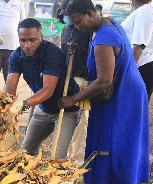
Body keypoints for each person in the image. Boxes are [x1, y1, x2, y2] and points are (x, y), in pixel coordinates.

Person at [57, 0, 150, 184]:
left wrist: (73, 99)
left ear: (90, 13)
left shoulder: (103, 39)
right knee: (119, 142)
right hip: (130, 91)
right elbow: (110, 60)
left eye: (79, 21)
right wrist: (83, 53)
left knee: (109, 143)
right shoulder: (110, 24)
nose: (77, 26)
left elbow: (103, 81)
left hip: (122, 96)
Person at [5, 18, 81, 158]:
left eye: (32, 40)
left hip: (66, 109)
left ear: (41, 37)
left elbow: (48, 89)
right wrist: (5, 105)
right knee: (26, 152)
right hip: (43, 108)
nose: (27, 45)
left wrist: (24, 104)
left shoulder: (52, 53)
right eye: (23, 40)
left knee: (56, 156)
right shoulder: (16, 56)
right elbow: (10, 85)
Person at [57, 0, 90, 165]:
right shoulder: (65, 30)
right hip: (67, 79)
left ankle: (77, 159)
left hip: (81, 78)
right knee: (67, 118)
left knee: (81, 120)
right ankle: (67, 156)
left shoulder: (86, 30)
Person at [121, 0, 153, 101]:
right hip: (142, 66)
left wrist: (129, 72)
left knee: (134, 110)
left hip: (143, 66)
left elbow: (139, 45)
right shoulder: (143, 11)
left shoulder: (144, 13)